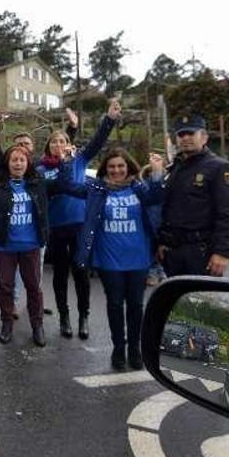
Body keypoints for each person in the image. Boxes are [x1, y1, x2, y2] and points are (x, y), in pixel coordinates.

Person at [59, 148, 164, 369]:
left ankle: (135, 348)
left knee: (136, 305)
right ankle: (119, 347)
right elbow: (67, 185)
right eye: (112, 167)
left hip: (138, 258)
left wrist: (156, 173)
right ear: (105, 168)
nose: (116, 170)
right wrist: (67, 162)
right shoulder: (96, 188)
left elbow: (156, 197)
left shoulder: (138, 187)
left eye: (120, 166)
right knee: (115, 304)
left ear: (128, 167)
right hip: (109, 260)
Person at [37, 100, 120, 339]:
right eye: (54, 142)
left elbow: (97, 143)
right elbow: (54, 188)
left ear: (69, 144)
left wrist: (109, 120)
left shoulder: (79, 161)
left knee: (81, 273)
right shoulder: (42, 170)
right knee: (60, 275)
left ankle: (83, 317)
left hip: (79, 226)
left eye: (62, 141)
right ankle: (64, 317)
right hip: (56, 228)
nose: (58, 144)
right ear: (49, 146)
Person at [0, 144, 63, 346]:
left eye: (22, 160)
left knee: (33, 287)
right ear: (8, 164)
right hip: (5, 246)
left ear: (28, 163)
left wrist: (66, 161)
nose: (18, 163)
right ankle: (7, 324)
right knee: (5, 287)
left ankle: (37, 326)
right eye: (14, 160)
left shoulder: (38, 183)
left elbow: (64, 183)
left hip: (31, 246)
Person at [158, 115, 229, 277]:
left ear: (204, 137)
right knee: (175, 300)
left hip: (202, 252)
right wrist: (162, 241)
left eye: (191, 133)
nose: (186, 138)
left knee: (202, 300)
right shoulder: (175, 168)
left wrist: (222, 252)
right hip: (173, 251)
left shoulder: (220, 167)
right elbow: (168, 209)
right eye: (181, 135)